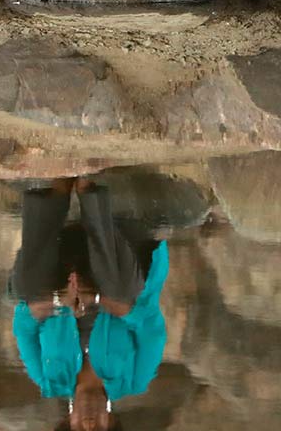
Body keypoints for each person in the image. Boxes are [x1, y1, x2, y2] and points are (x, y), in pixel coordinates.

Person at [11, 177, 170, 431]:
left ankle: (59, 191)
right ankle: (88, 189)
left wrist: (57, 300)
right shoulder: (134, 378)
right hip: (123, 260)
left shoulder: (46, 377)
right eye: (98, 430)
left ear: (68, 422)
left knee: (25, 289)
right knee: (122, 291)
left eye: (79, 430)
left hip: (67, 261)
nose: (88, 423)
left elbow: (23, 324)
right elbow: (151, 327)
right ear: (111, 422)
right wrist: (99, 299)